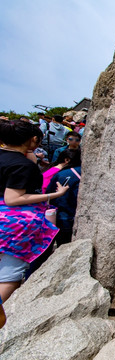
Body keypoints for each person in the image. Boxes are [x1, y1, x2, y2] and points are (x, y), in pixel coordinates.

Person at [0, 120, 69, 305]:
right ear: (33, 140)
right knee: (10, 274)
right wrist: (55, 194)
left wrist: (28, 151)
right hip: (13, 224)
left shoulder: (10, 157)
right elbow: (12, 198)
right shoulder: (22, 165)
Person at [45, 149, 81, 247]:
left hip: (63, 215)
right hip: (80, 215)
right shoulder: (87, 172)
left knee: (62, 244)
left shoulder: (61, 174)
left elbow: (48, 193)